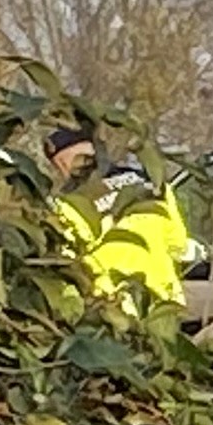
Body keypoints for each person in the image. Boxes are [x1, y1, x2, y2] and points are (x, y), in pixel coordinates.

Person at [50, 129, 194, 307]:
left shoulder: (72, 205)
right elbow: (179, 245)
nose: (63, 170)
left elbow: (67, 262)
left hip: (115, 307)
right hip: (164, 304)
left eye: (64, 163)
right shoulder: (151, 183)